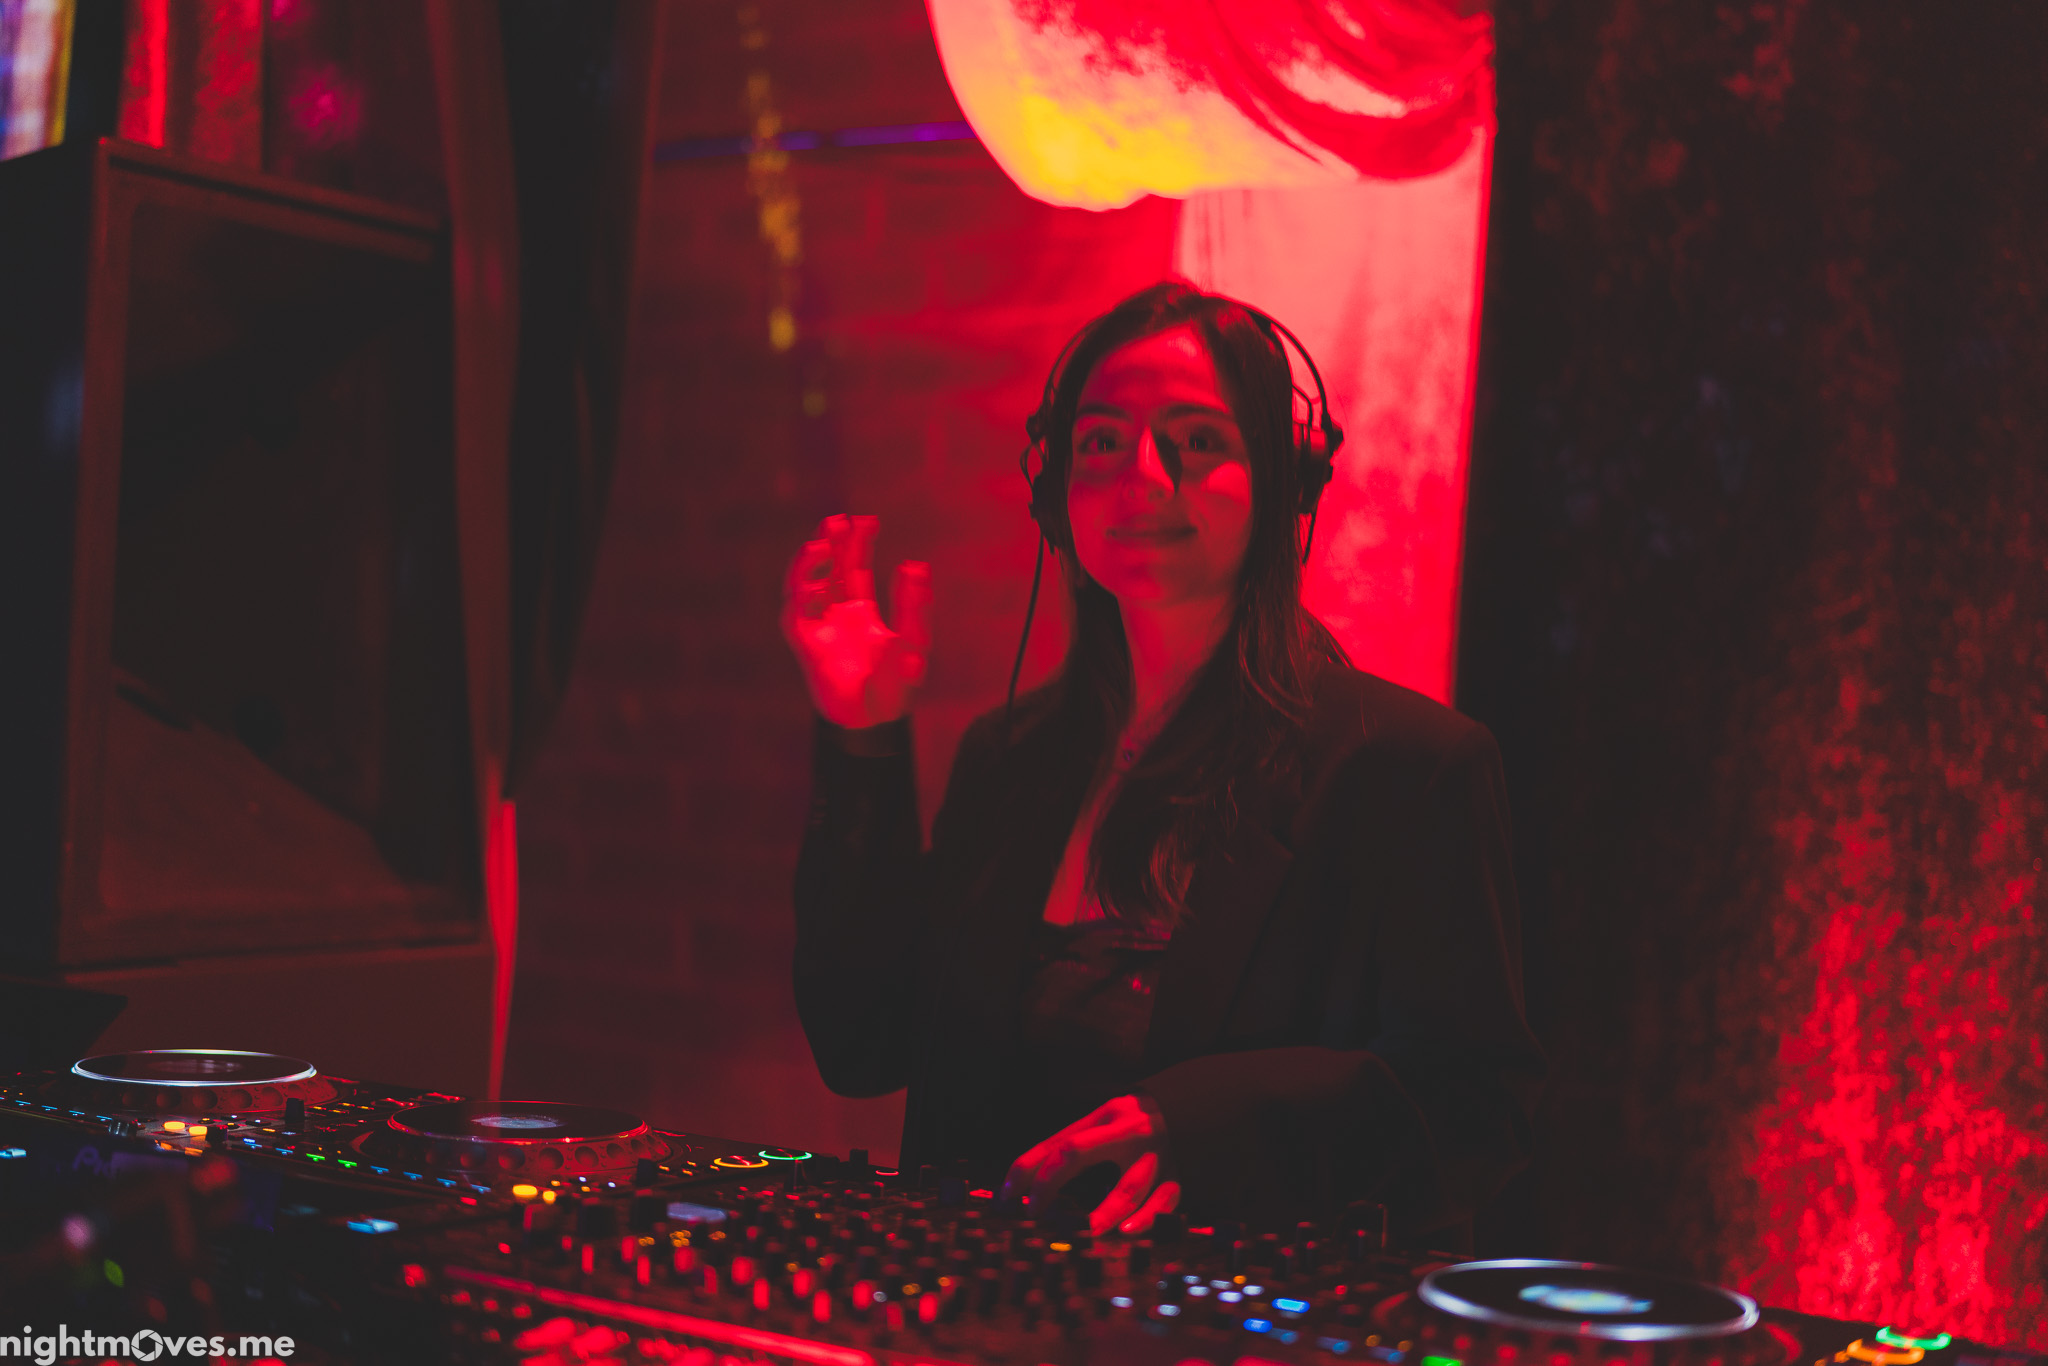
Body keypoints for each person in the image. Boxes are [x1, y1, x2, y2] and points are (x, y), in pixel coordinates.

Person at [781, 281, 1542, 1250]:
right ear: (1053, 490)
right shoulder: (1008, 759)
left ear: (1281, 481)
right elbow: (860, 1041)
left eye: (1196, 439)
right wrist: (860, 735)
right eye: (1101, 440)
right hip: (983, 1305)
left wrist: (1204, 1131)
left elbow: (1475, 1110)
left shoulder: (1406, 770)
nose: (1142, 474)